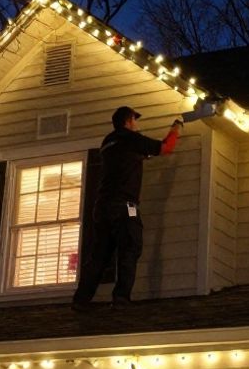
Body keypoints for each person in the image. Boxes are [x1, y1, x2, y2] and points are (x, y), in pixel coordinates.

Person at [72, 106, 182, 310]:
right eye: (135, 120)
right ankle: (121, 298)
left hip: (102, 208)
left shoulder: (108, 142)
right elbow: (165, 148)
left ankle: (81, 300)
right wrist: (176, 127)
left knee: (100, 255)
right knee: (130, 248)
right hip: (125, 206)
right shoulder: (131, 139)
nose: (136, 124)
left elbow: (132, 158)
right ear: (128, 121)